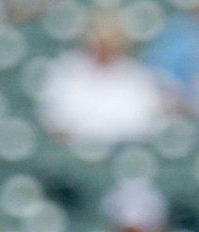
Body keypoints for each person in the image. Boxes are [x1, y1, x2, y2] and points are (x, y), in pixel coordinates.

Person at [38, 10, 169, 148]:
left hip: (121, 151)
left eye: (111, 40)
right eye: (99, 40)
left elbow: (142, 125)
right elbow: (53, 119)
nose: (105, 46)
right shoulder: (67, 70)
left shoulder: (137, 76)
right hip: (73, 149)